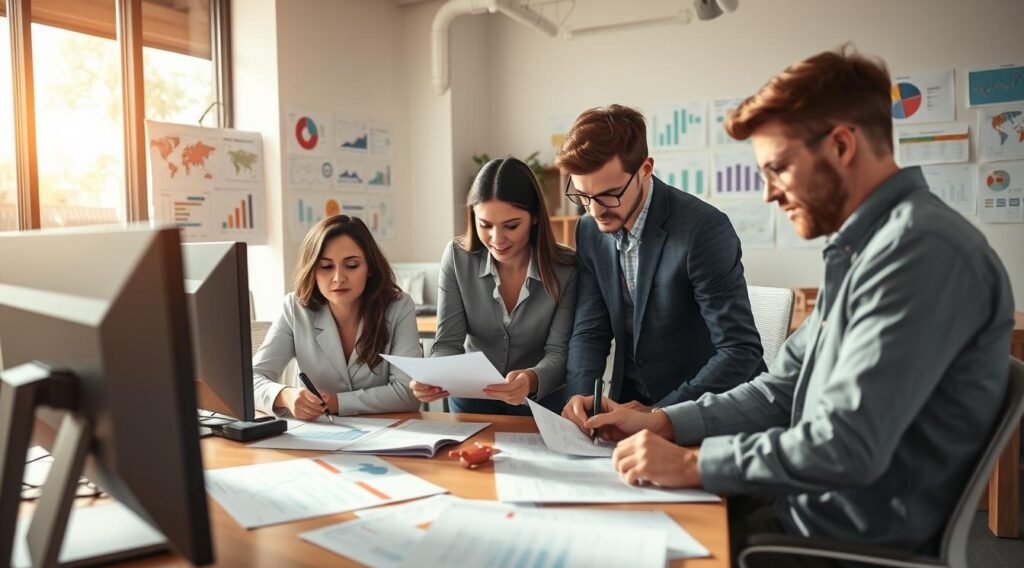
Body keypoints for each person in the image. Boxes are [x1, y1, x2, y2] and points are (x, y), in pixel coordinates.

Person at [583, 47, 1015, 568]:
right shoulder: (868, 250)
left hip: (834, 550)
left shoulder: (921, 253)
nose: (768, 193)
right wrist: (664, 422)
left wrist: (694, 464)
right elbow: (780, 390)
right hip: (797, 513)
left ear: (840, 145)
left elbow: (846, 446)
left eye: (778, 168)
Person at [557, 104, 765, 428]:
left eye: (610, 194)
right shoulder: (587, 231)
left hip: (706, 413)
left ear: (645, 169)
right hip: (628, 407)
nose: (595, 210)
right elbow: (590, 329)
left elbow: (740, 350)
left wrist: (661, 415)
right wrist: (579, 399)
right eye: (583, 195)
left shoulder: (703, 229)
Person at [410, 157, 577, 415]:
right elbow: (447, 344)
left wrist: (531, 379)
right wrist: (433, 376)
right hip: (472, 403)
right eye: (485, 225)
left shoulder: (565, 267)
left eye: (511, 226)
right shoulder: (457, 257)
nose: (497, 239)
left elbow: (559, 352)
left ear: (534, 217)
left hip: (540, 404)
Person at [253, 214, 421, 418]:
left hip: (388, 435)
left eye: (351, 265)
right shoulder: (295, 309)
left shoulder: (398, 307)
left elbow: (407, 393)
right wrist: (284, 395)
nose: (338, 278)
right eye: (326, 267)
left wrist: (337, 402)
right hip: (317, 439)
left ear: (370, 268)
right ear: (313, 270)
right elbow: (251, 380)